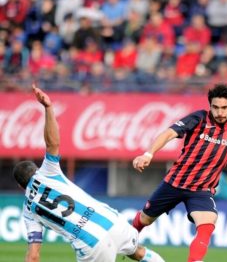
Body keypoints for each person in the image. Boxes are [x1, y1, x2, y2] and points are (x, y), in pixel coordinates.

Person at [14, 85, 165, 262]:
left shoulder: (28, 210)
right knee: (139, 253)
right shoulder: (46, 172)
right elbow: (52, 144)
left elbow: (33, 256)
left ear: (20, 186)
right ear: (36, 169)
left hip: (90, 243)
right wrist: (48, 108)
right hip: (111, 221)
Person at [132, 84, 227, 262]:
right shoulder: (198, 119)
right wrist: (148, 153)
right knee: (145, 220)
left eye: (224, 108)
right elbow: (169, 133)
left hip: (201, 190)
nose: (220, 113)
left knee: (208, 222)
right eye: (215, 107)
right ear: (210, 106)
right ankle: (126, 242)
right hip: (174, 183)